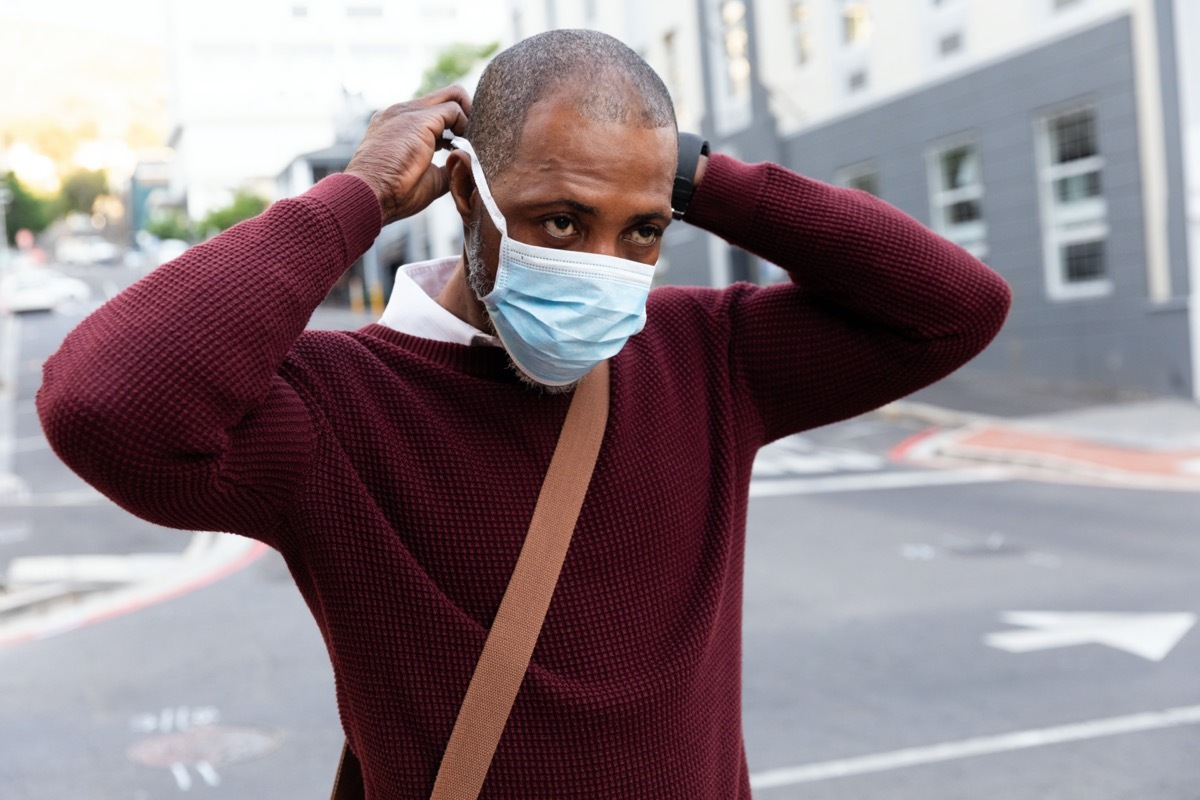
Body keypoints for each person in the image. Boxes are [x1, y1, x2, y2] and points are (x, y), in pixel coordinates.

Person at [37, 29, 1010, 799]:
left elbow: (953, 308)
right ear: (465, 190)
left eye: (640, 231)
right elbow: (100, 401)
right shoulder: (333, 408)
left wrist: (704, 174)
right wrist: (359, 195)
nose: (601, 263)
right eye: (559, 219)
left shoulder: (708, 355)